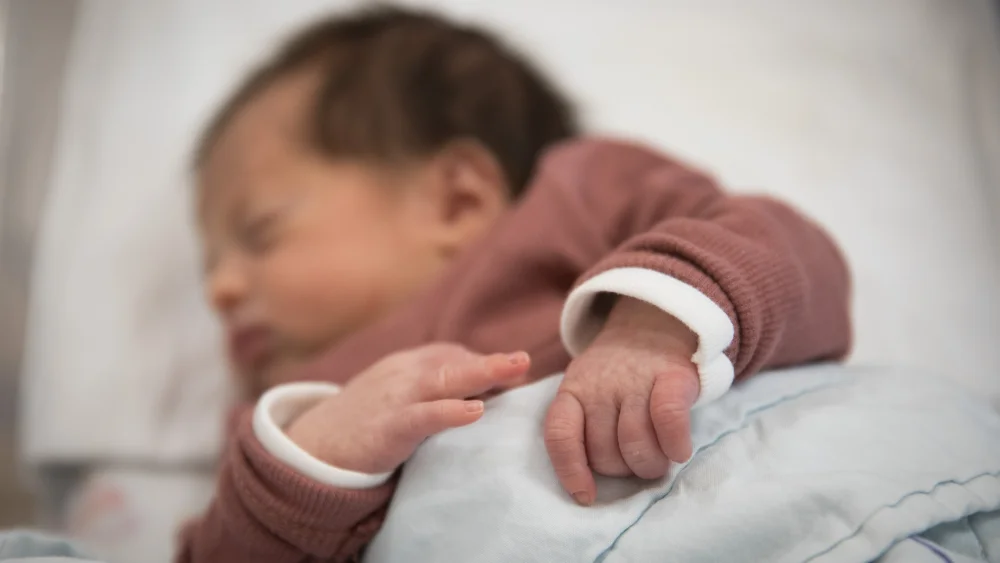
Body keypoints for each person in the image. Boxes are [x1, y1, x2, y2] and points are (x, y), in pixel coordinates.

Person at [180, 5, 851, 561]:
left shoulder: (579, 199)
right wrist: (312, 464)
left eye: (259, 232)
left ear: (458, 202)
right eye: (210, 264)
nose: (219, 292)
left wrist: (653, 324)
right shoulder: (277, 428)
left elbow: (788, 251)